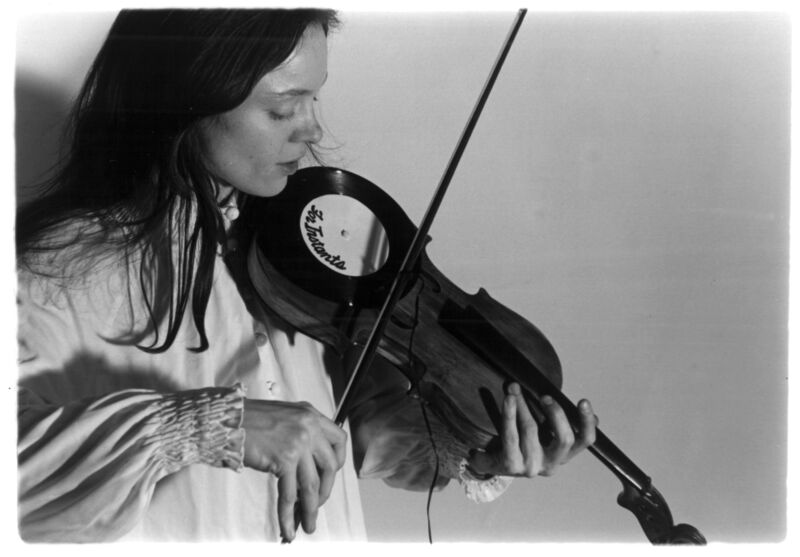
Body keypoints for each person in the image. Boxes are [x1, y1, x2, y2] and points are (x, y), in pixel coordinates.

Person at [16, 8, 598, 543]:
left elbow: (364, 435)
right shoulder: (56, 268)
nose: (313, 130)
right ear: (185, 103)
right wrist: (203, 426)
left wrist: (476, 449)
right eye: (282, 109)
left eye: (313, 99)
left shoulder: (302, 250)